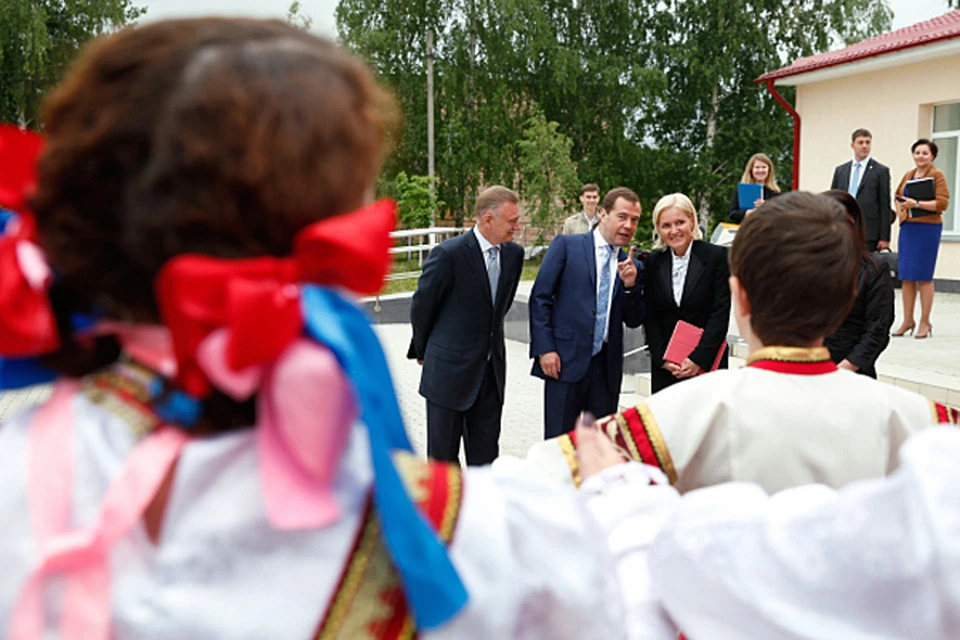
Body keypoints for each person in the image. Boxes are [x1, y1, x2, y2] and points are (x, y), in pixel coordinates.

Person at [0, 19, 671, 639]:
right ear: (325, 229)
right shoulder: (463, 538)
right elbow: (639, 598)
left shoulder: (19, 478)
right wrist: (616, 491)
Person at [526, 192, 954, 495]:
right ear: (845, 299)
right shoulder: (929, 426)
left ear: (741, 296)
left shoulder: (669, 420)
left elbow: (536, 486)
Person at [408, 186, 523, 466]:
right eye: (512, 222)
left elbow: (499, 309)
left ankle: (481, 511)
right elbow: (422, 307)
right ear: (487, 219)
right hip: (448, 375)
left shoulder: (514, 256)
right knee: (443, 464)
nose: (517, 228)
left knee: (485, 463)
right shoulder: (449, 255)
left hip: (490, 376)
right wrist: (425, 349)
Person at [529, 187, 645, 438]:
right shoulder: (567, 246)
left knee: (601, 447)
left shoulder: (631, 265)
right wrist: (545, 349)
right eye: (622, 217)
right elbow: (540, 298)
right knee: (558, 445)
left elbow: (634, 319)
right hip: (564, 362)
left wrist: (631, 287)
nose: (628, 225)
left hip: (605, 370)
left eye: (634, 220)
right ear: (603, 214)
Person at [643, 193, 730, 393]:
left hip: (705, 367)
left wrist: (698, 359)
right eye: (666, 225)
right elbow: (651, 315)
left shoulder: (717, 257)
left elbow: (720, 312)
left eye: (680, 222)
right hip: (667, 368)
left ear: (692, 221)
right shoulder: (653, 262)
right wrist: (662, 358)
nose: (674, 231)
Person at [822, 189, 894, 378]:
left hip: (853, 374)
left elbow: (877, 329)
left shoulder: (875, 269)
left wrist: (841, 372)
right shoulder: (805, 266)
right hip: (807, 373)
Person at [892, 138, 950, 340]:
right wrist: (901, 209)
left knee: (924, 276)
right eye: (917, 152)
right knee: (907, 276)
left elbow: (942, 203)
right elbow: (898, 194)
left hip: (928, 229)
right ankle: (908, 320)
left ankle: (925, 321)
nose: (920, 156)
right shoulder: (909, 174)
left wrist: (915, 203)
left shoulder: (937, 175)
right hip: (909, 228)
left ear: (932, 156)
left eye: (925, 153)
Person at [830, 127, 892, 252]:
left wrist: (884, 237)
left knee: (865, 269)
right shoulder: (841, 170)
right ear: (852, 145)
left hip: (869, 232)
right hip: (844, 229)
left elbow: (884, 205)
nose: (864, 146)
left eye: (867, 142)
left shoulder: (880, 171)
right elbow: (833, 200)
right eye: (861, 142)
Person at [728, 153, 781, 222]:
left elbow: (781, 216)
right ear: (751, 170)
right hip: (747, 230)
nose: (760, 170)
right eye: (757, 167)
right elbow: (732, 214)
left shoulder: (775, 192)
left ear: (769, 170)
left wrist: (766, 207)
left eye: (764, 167)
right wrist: (748, 213)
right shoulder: (743, 190)